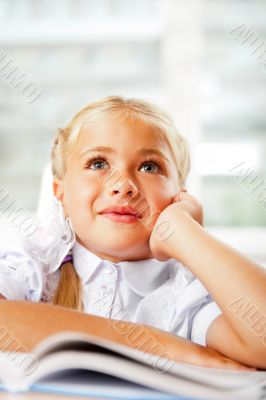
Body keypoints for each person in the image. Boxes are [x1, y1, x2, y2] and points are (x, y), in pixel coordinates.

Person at [0, 96, 265, 370]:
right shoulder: (32, 265)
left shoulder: (183, 295)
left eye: (149, 167)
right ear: (61, 192)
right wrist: (159, 346)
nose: (123, 186)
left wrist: (185, 232)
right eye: (98, 163)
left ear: (179, 197)